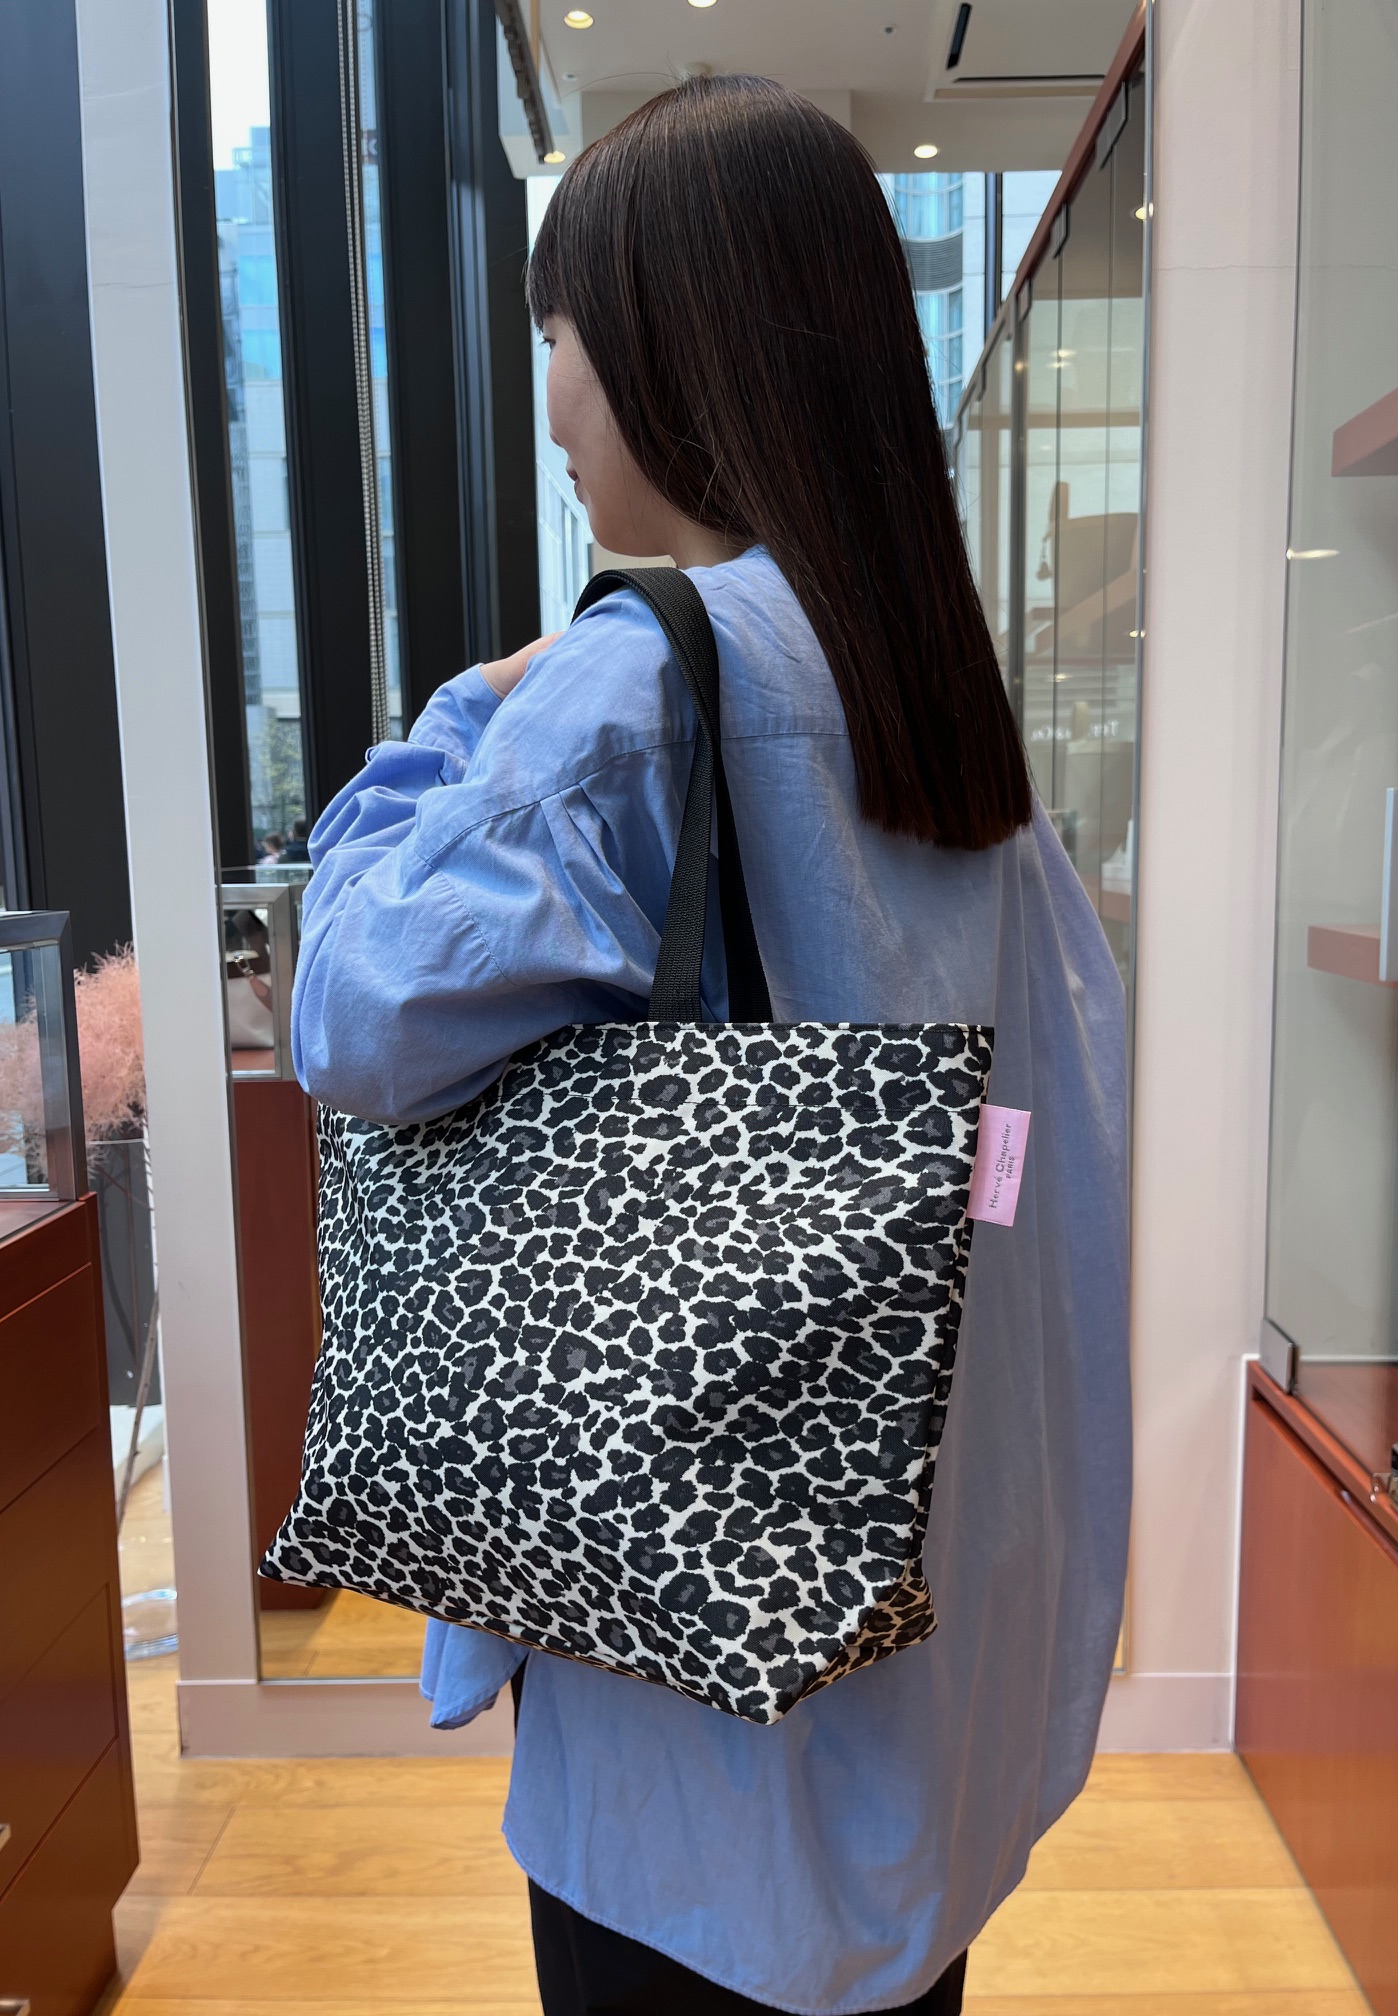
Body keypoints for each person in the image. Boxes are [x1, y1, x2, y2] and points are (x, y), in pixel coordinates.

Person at [292, 75, 1129, 2016]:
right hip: (925, 1607)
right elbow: (1027, 1116)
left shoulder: (636, 674)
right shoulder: (916, 662)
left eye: (558, 336)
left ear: (665, 348)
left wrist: (452, 718)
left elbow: (358, 1016)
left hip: (696, 1684)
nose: (550, 400)